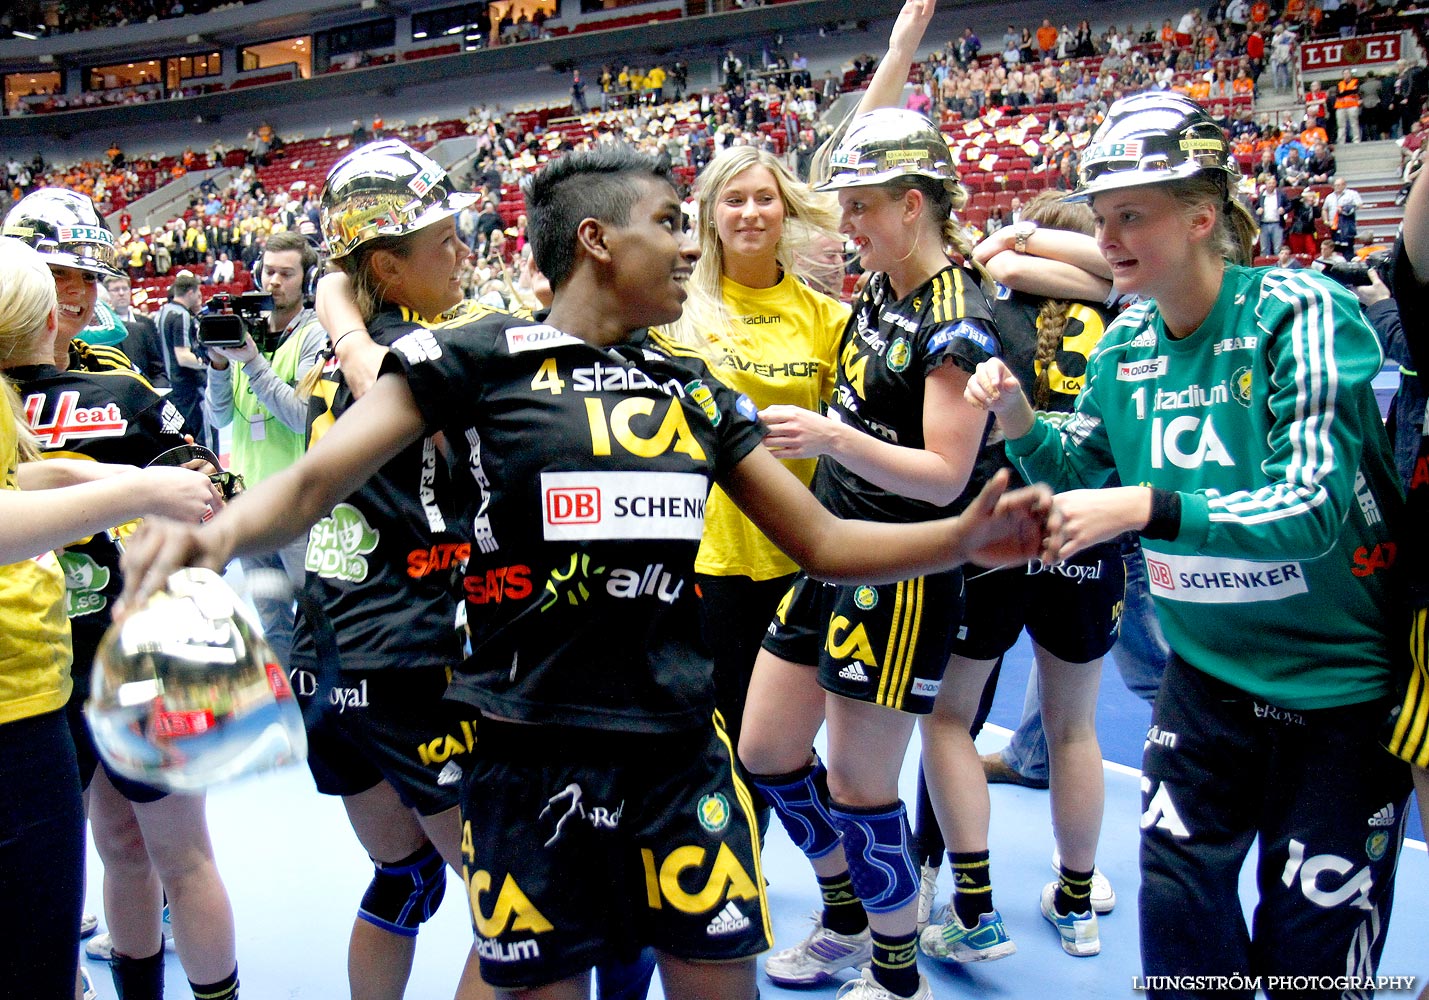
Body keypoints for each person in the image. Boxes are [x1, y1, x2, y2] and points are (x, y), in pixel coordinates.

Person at [118, 137, 1057, 1000]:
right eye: (665, 223)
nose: (689, 248)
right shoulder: (472, 359)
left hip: (679, 753)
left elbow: (822, 542)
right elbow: (319, 476)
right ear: (597, 240)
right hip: (526, 754)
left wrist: (959, 538)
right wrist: (208, 540)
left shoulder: (686, 384)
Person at [967, 91, 1411, 996]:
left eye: (1133, 214)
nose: (1110, 237)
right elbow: (1083, 471)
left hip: (1340, 691)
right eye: (1102, 218)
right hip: (1203, 682)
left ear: (1203, 214)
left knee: (1311, 962)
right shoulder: (1125, 337)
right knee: (1178, 940)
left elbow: (1313, 503)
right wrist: (1019, 421)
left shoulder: (1299, 309)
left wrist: (1148, 508)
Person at [737, 1, 1010, 994]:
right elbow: (845, 159)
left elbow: (946, 477)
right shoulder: (885, 285)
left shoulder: (958, 319)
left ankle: (891, 965)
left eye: (862, 207)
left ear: (915, 204)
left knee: (858, 784)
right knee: (767, 748)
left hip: (899, 571)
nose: (843, 225)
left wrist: (830, 436)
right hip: (831, 551)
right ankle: (849, 907)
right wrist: (896, 53)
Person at [1, 192, 241, 1000]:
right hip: (27, 677)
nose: (81, 298)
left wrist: (169, 514)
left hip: (127, 646)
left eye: (86, 278)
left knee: (167, 849)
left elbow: (211, 481)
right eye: (60, 277)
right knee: (102, 852)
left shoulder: (118, 383)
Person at [913, 191, 1125, 962]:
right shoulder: (1124, 314)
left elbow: (984, 253)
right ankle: (1076, 901)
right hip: (1085, 533)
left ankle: (970, 903)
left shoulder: (984, 312)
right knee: (1073, 729)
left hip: (999, 527)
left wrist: (1007, 243)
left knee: (948, 720)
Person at [661, 145, 848, 829]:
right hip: (705, 559)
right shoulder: (676, 311)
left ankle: (842, 877)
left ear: (784, 209)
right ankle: (744, 876)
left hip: (800, 552)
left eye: (762, 198)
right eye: (732, 200)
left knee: (781, 742)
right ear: (708, 215)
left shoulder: (826, 319)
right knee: (723, 734)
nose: (748, 212)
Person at [203, 230, 327, 667]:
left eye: (286, 274)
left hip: (300, 505)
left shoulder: (314, 336)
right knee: (271, 624)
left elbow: (300, 415)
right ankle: (288, 706)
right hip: (251, 501)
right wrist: (220, 364)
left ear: (306, 280)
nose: (274, 281)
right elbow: (219, 416)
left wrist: (252, 361)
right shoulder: (243, 333)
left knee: (317, 618)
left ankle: (326, 708)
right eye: (268, 271)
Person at [155, 270, 210, 447]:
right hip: (186, 386)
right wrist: (207, 364)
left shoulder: (163, 311)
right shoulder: (181, 315)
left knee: (183, 437)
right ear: (190, 292)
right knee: (199, 436)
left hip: (171, 383)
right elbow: (183, 357)